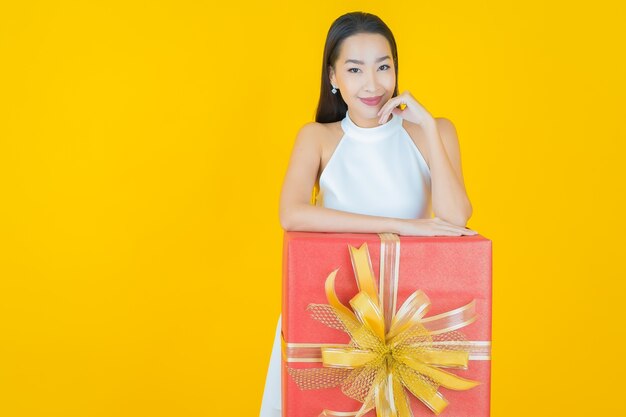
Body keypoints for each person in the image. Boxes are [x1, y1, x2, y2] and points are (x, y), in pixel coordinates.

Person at [259, 11, 477, 417]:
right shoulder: (319, 138)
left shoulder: (435, 132)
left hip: (408, 318)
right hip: (333, 312)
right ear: (333, 77)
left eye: (383, 67)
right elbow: (291, 214)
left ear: (396, 69)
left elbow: (454, 219)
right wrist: (398, 226)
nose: (372, 84)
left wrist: (428, 126)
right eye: (355, 69)